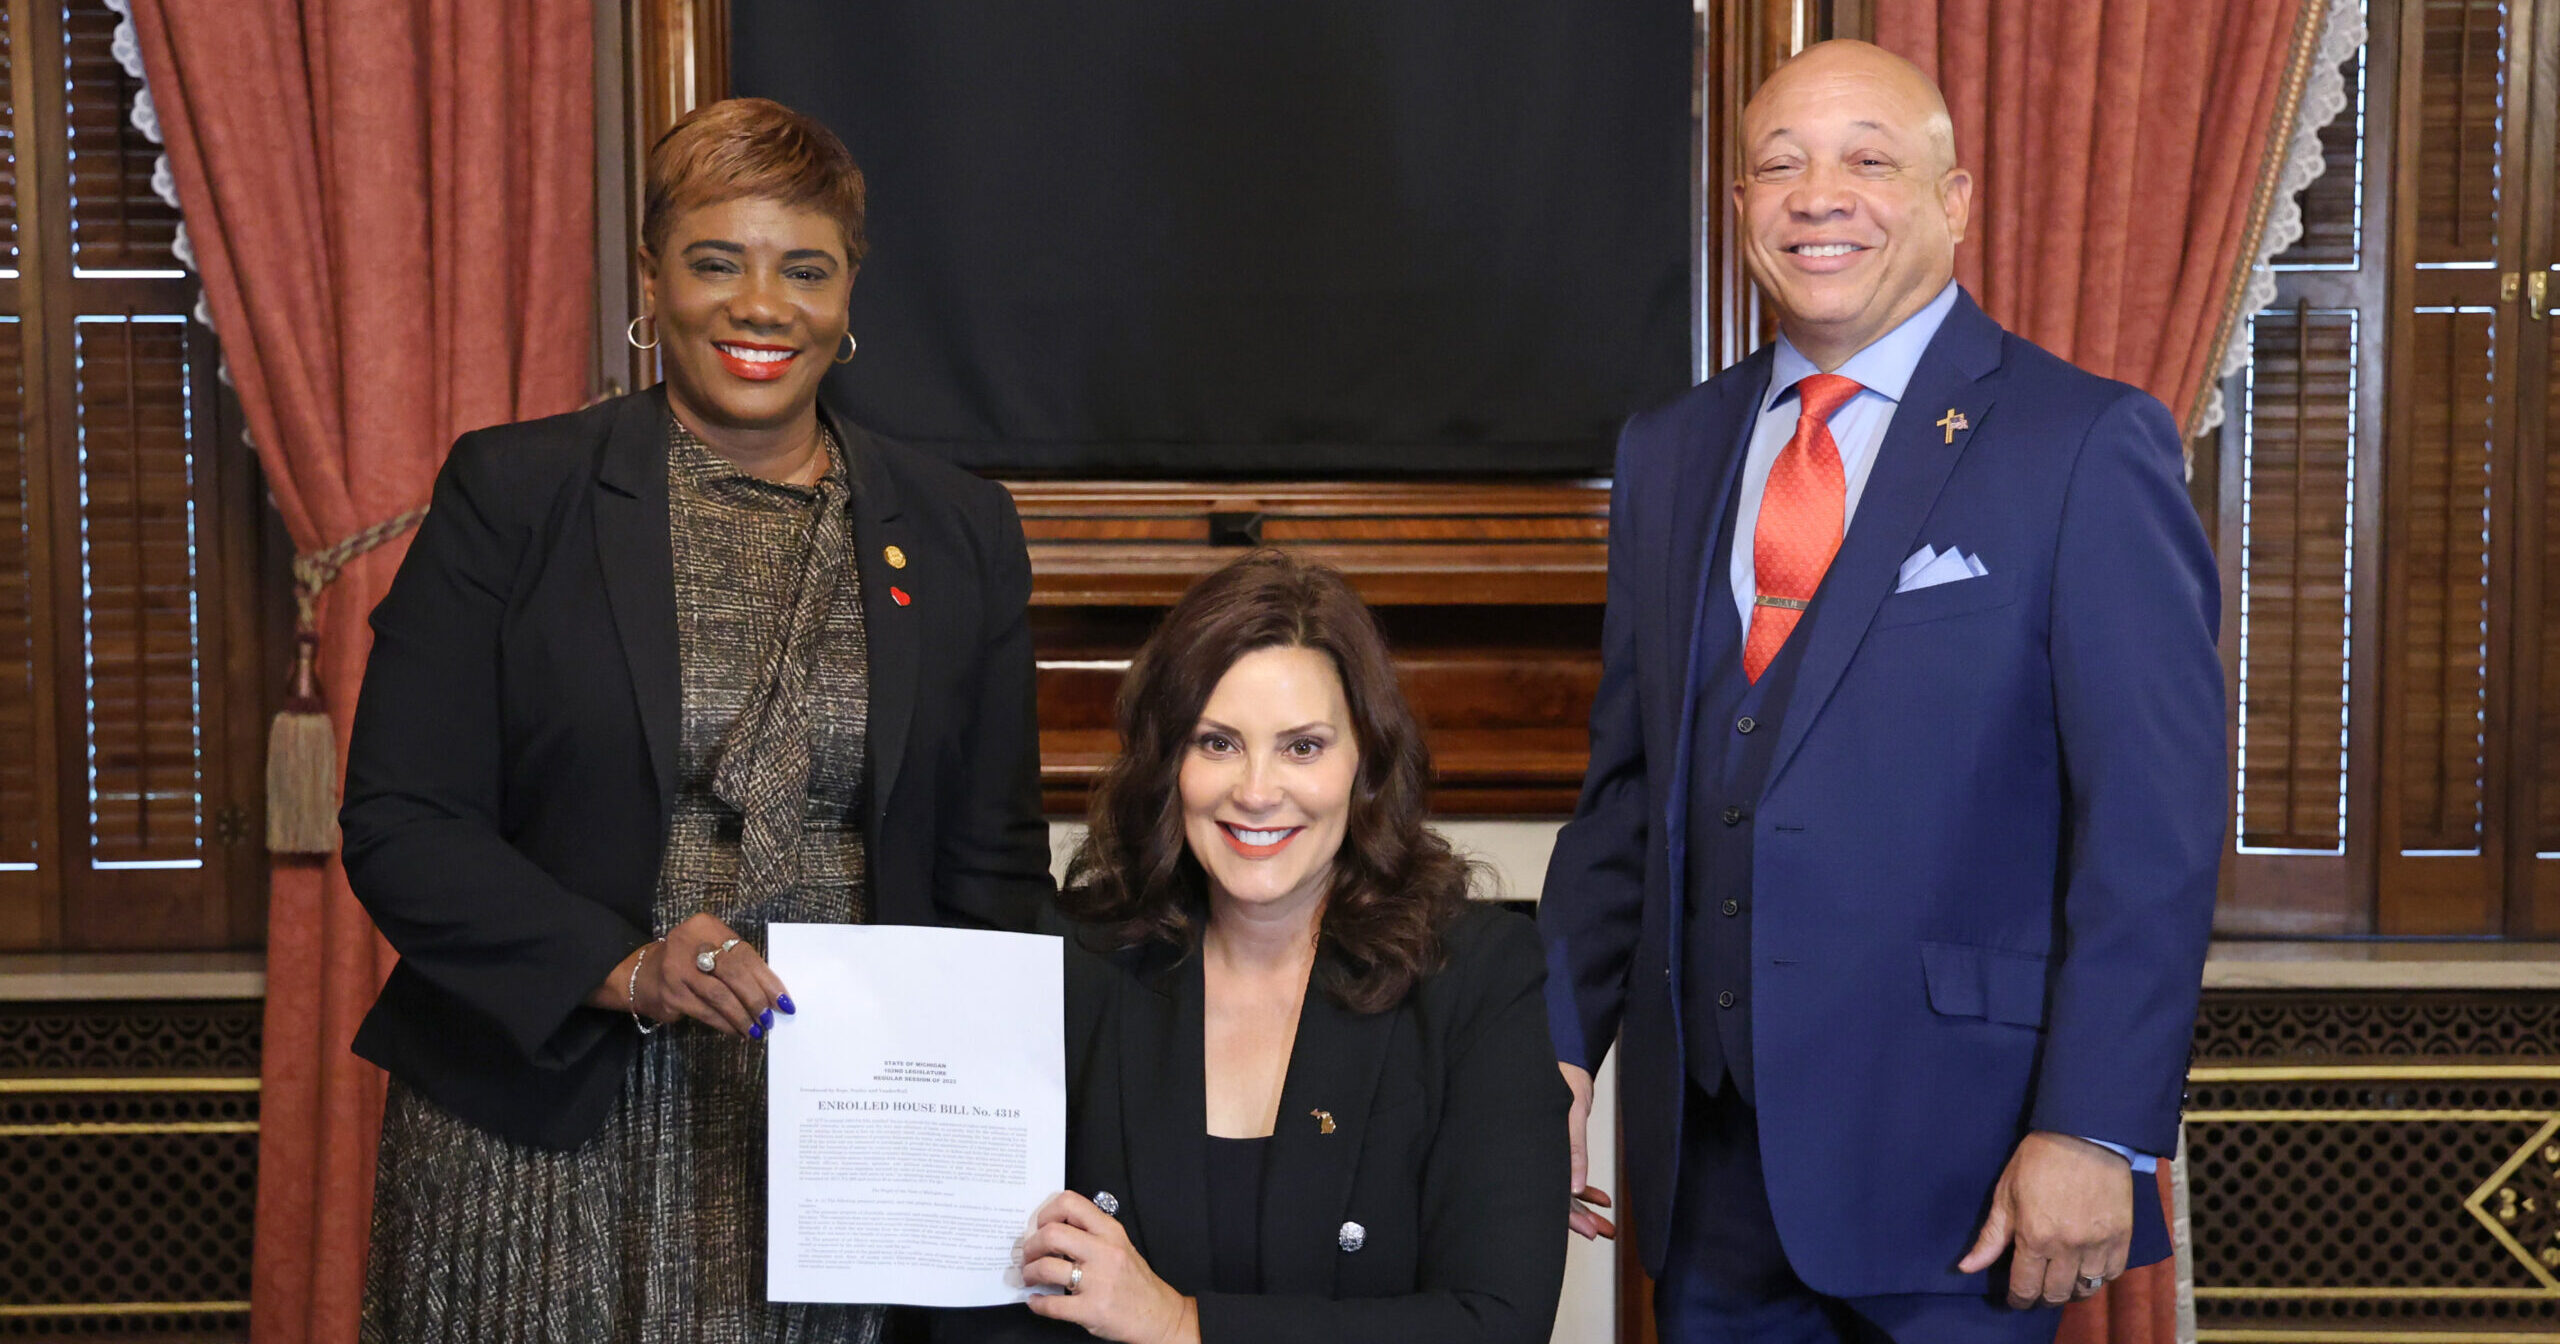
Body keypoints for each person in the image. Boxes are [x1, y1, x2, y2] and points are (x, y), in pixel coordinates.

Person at [1536, 40, 2222, 1344]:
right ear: (1738, 209)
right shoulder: (1669, 453)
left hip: (1963, 1186)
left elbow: (2154, 823)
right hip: (1710, 1182)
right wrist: (1559, 1056)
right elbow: (1626, 797)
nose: (1817, 196)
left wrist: (2094, 1126)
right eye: (1779, 167)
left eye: (1867, 160)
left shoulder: (2083, 442)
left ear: (1954, 202)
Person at [340, 97, 1054, 1343]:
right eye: (717, 261)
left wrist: (1002, 1134)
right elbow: (404, 823)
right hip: (539, 1134)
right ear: (653, 279)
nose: (760, 305)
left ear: (847, 294)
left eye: (804, 269)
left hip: (840, 1141)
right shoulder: (514, 494)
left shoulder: (957, 531)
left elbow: (991, 871)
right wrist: (621, 968)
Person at [948, 549, 1568, 1344]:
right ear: (1167, 762)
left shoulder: (1477, 974)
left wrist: (1182, 1326)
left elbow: (1495, 1324)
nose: (1257, 791)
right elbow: (988, 1300)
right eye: (1217, 743)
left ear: (1366, 762)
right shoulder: (1075, 960)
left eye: (1302, 746)